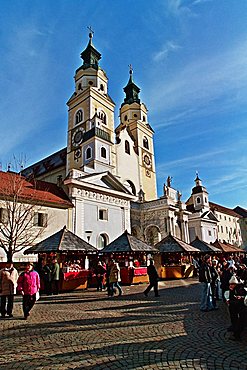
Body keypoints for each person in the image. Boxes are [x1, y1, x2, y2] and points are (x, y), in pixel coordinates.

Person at [226, 275, 247, 341]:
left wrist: (240, 298)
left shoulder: (240, 289)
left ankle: (236, 335)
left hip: (241, 307)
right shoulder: (234, 289)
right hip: (236, 307)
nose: (231, 285)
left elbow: (242, 299)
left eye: (232, 284)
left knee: (241, 320)